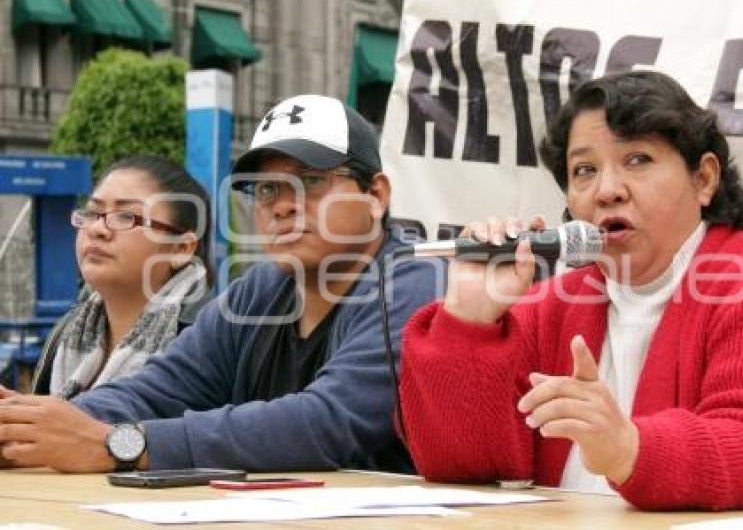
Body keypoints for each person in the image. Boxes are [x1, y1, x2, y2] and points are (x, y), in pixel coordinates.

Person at [399, 71, 743, 510]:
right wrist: (468, 321)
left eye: (638, 160)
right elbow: (460, 467)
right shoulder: (548, 305)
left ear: (705, 178)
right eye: (584, 170)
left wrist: (629, 449)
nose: (607, 190)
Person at [0, 95, 443, 474]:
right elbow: (160, 388)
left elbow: (328, 422)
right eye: (266, 190)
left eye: (310, 181)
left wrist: (119, 445)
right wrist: (22, 426)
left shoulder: (413, 280)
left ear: (376, 195)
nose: (283, 205)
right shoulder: (260, 290)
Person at [30, 155, 212, 399]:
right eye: (93, 213)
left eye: (126, 217)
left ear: (180, 249)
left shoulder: (205, 341)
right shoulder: (69, 331)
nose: (97, 229)